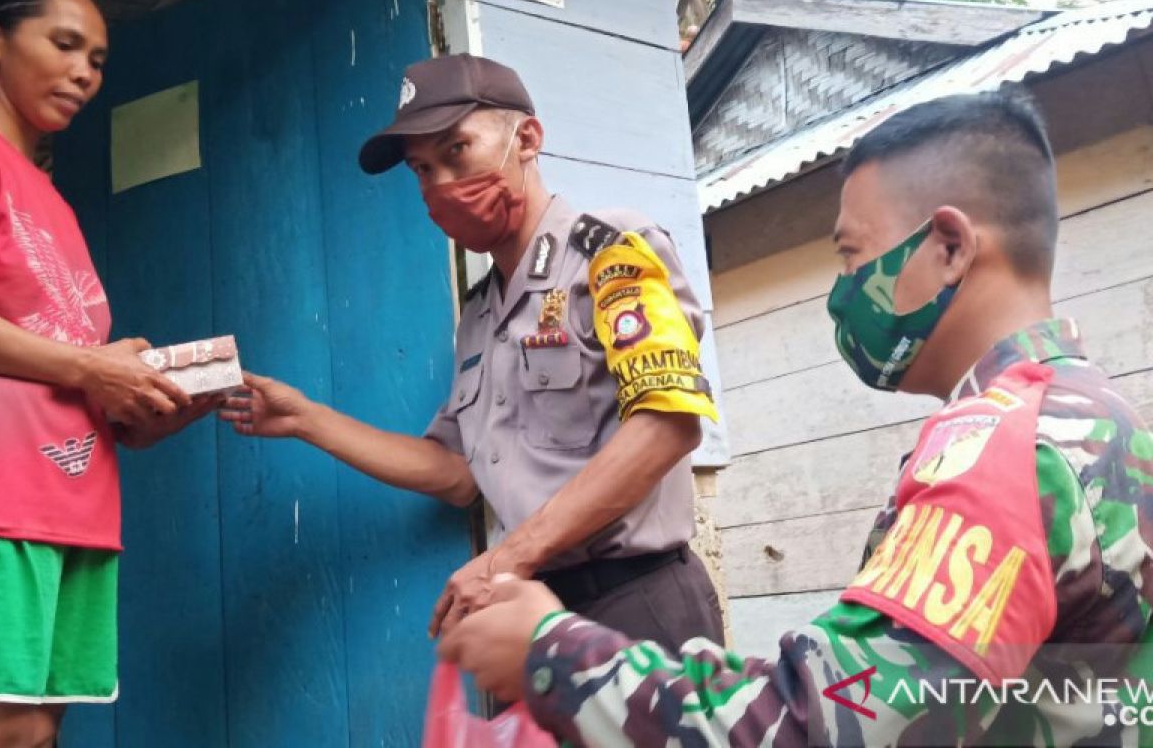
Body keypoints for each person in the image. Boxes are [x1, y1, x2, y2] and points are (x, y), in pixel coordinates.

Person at [437, 90, 1153, 746]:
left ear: (951, 246)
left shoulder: (1005, 453)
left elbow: (817, 723)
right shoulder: (1097, 415)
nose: (842, 292)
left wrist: (551, 651)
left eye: (852, 255)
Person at [221, 53, 725, 647]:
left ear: (527, 138)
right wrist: (307, 420)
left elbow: (669, 425)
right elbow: (458, 473)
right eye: (422, 170)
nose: (440, 185)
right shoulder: (480, 314)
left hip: (638, 606)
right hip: (534, 615)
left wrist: (506, 557)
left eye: (456, 151)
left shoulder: (613, 253)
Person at [0, 0, 216, 747]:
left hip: (75, 506)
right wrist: (87, 368)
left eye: (97, 60)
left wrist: (145, 399)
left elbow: (66, 369)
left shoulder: (55, 201)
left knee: (36, 732)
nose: (83, 73)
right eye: (64, 45)